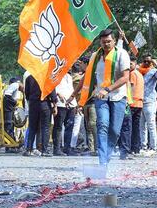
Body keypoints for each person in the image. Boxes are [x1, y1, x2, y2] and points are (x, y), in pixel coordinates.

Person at [76, 28, 130, 165]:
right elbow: (87, 78)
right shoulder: (95, 56)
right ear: (100, 41)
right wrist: (76, 96)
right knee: (102, 125)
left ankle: (107, 155)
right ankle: (102, 161)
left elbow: (125, 78)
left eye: (109, 41)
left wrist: (108, 89)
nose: (106, 44)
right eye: (103, 42)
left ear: (114, 41)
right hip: (101, 98)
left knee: (114, 130)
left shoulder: (122, 54)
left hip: (118, 97)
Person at [138, 53, 157, 154]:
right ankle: (143, 146)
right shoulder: (138, 70)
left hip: (150, 101)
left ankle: (153, 148)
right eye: (144, 61)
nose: (146, 63)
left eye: (148, 61)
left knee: (151, 124)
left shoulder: (154, 71)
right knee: (142, 126)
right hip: (139, 101)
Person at [24, 74, 57, 157]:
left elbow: (26, 93)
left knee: (32, 127)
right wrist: (55, 105)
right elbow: (52, 93)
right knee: (45, 127)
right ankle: (44, 150)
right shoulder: (47, 78)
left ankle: (28, 149)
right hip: (44, 104)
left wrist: (31, 100)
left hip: (33, 104)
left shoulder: (29, 78)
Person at [53, 71, 76, 156]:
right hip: (60, 103)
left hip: (71, 104)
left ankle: (67, 148)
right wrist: (58, 93)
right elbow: (51, 88)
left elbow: (72, 89)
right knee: (58, 126)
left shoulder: (69, 77)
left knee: (69, 126)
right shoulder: (55, 74)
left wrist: (75, 103)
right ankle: (57, 149)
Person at [129, 56, 144, 154]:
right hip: (139, 103)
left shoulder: (132, 74)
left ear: (135, 63)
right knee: (136, 126)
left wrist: (127, 100)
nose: (129, 65)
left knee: (129, 126)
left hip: (132, 103)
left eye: (131, 63)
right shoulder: (139, 73)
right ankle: (136, 148)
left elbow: (131, 87)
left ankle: (130, 147)